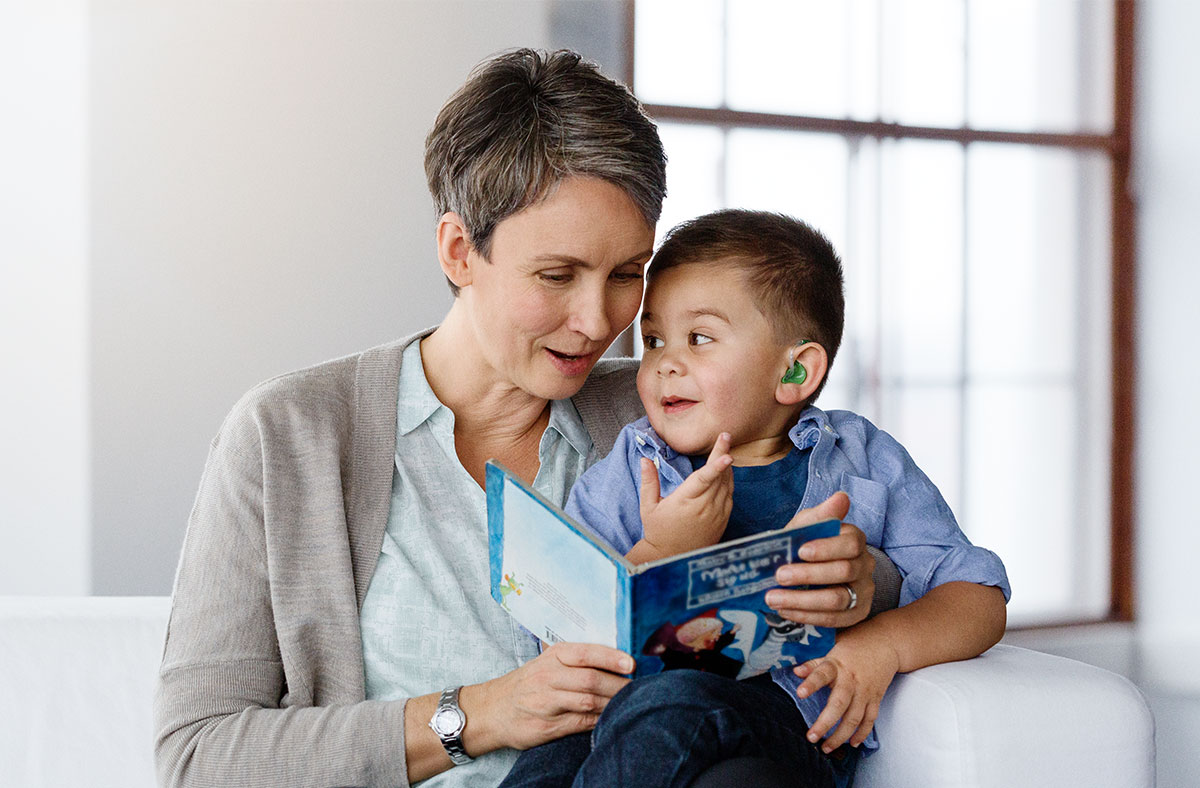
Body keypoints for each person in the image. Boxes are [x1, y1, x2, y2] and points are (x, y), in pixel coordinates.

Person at [152, 50, 880, 788]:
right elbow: (198, 755)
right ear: (460, 251)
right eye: (557, 276)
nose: (599, 321)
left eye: (627, 274)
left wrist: (858, 582)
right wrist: (480, 713)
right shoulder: (288, 437)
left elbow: (864, 522)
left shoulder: (673, 411)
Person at [500, 209, 1011, 788]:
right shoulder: (634, 462)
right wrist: (660, 546)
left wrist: (882, 647)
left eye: (699, 338)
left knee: (675, 703)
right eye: (653, 339)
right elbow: (562, 627)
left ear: (794, 373)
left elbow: (978, 595)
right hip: (615, 711)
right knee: (546, 761)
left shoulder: (861, 458)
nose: (665, 361)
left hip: (782, 721)